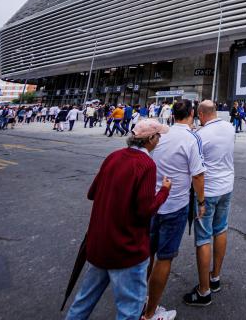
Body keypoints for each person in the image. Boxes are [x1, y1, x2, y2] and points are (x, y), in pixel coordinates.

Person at [65, 119, 172, 320]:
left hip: (99, 245)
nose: (159, 140)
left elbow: (92, 193)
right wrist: (164, 191)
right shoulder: (146, 164)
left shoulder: (113, 156)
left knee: (83, 301)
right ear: (150, 138)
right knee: (130, 309)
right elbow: (145, 210)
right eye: (158, 136)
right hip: (126, 249)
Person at [145, 100, 206, 320]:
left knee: (147, 254)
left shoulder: (160, 135)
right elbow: (198, 175)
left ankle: (141, 302)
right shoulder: (192, 138)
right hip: (175, 205)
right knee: (165, 257)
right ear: (192, 114)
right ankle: (151, 313)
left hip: (152, 203)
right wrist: (201, 201)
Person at [183, 100, 235, 306]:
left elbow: (194, 167)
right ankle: (215, 278)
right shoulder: (230, 128)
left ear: (202, 114)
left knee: (203, 238)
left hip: (208, 191)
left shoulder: (199, 136)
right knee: (221, 230)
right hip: (226, 187)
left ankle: (203, 291)